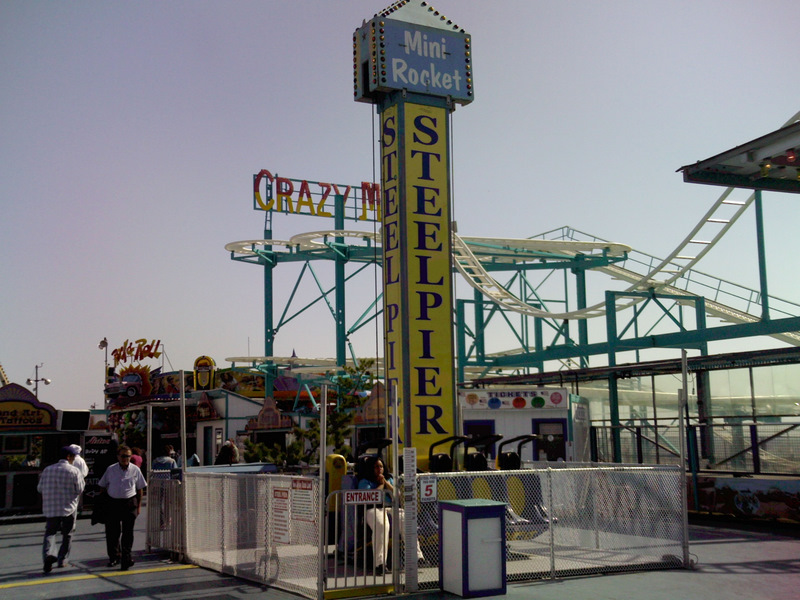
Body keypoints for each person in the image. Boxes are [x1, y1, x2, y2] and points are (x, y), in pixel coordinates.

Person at [357, 456, 423, 575]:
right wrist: (380, 485)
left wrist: (386, 483)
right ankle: (380, 563)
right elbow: (371, 497)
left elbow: (397, 494)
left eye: (381, 466)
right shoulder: (364, 481)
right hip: (373, 508)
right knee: (382, 525)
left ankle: (417, 557)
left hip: (390, 507)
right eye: (376, 467)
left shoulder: (389, 478)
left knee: (407, 520)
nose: (379, 469)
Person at [98, 444, 147, 570]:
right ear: (118, 457)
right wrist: (104, 503)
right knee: (112, 532)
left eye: (128, 456)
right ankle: (114, 557)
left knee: (128, 532)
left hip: (129, 503)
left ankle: (126, 557)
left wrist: (138, 506)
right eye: (123, 456)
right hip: (113, 503)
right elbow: (103, 485)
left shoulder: (135, 470)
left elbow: (140, 489)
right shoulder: (111, 469)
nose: (126, 459)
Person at [37, 446, 85, 573]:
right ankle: (62, 559)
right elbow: (80, 489)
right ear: (69, 457)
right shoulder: (74, 471)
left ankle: (48, 555)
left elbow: (40, 488)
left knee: (50, 533)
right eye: (73, 457)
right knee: (67, 534)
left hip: (51, 508)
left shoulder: (47, 470)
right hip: (69, 508)